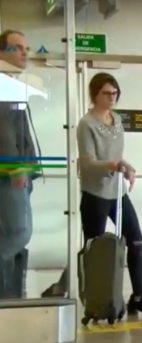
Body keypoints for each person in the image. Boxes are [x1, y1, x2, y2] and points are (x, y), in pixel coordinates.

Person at [43, 73, 142, 315]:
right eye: (107, 94)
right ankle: (70, 288)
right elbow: (87, 163)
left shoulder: (117, 120)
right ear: (94, 95)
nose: (112, 98)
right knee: (94, 248)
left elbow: (117, 156)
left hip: (117, 192)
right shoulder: (86, 124)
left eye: (115, 94)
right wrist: (114, 166)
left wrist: (127, 167)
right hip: (95, 193)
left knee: (136, 240)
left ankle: (139, 296)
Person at [0, 29, 34, 299]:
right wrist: (14, 167)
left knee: (16, 235)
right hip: (10, 174)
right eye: (17, 47)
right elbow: (4, 132)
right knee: (18, 234)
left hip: (20, 172)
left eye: (26, 47)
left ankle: (11, 298)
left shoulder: (12, 83)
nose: (25, 52)